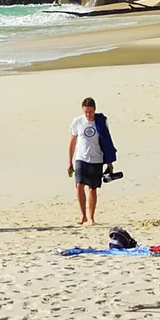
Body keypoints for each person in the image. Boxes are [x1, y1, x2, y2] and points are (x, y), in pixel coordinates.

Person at [68, 96, 105, 224]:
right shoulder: (78, 122)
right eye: (86, 112)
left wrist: (109, 162)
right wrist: (69, 161)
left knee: (92, 189)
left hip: (96, 158)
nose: (88, 114)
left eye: (90, 111)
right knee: (79, 185)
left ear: (95, 110)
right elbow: (72, 142)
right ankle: (83, 215)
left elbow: (106, 142)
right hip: (81, 158)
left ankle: (91, 217)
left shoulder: (100, 122)